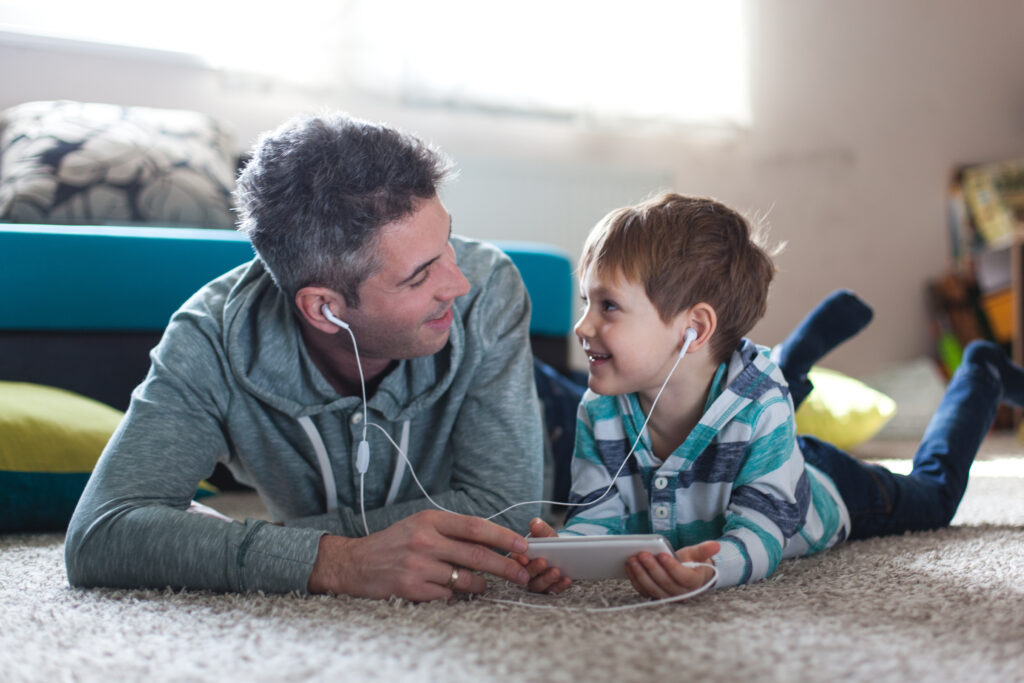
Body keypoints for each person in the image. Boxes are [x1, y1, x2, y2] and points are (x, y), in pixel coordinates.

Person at [65, 112, 544, 602]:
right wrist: (337, 561)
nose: (457, 284)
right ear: (323, 308)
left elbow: (509, 511)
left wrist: (285, 533)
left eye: (446, 243)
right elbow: (100, 534)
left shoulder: (487, 289)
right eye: (419, 276)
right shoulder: (208, 337)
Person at [520, 192, 1024, 599]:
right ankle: (795, 357)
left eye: (607, 306)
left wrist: (715, 569)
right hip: (756, 432)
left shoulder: (760, 403)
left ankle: (984, 372)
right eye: (587, 300)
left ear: (693, 329)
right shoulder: (600, 406)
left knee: (934, 498)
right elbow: (599, 514)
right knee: (760, 395)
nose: (581, 326)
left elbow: (763, 533)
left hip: (827, 490)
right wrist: (565, 552)